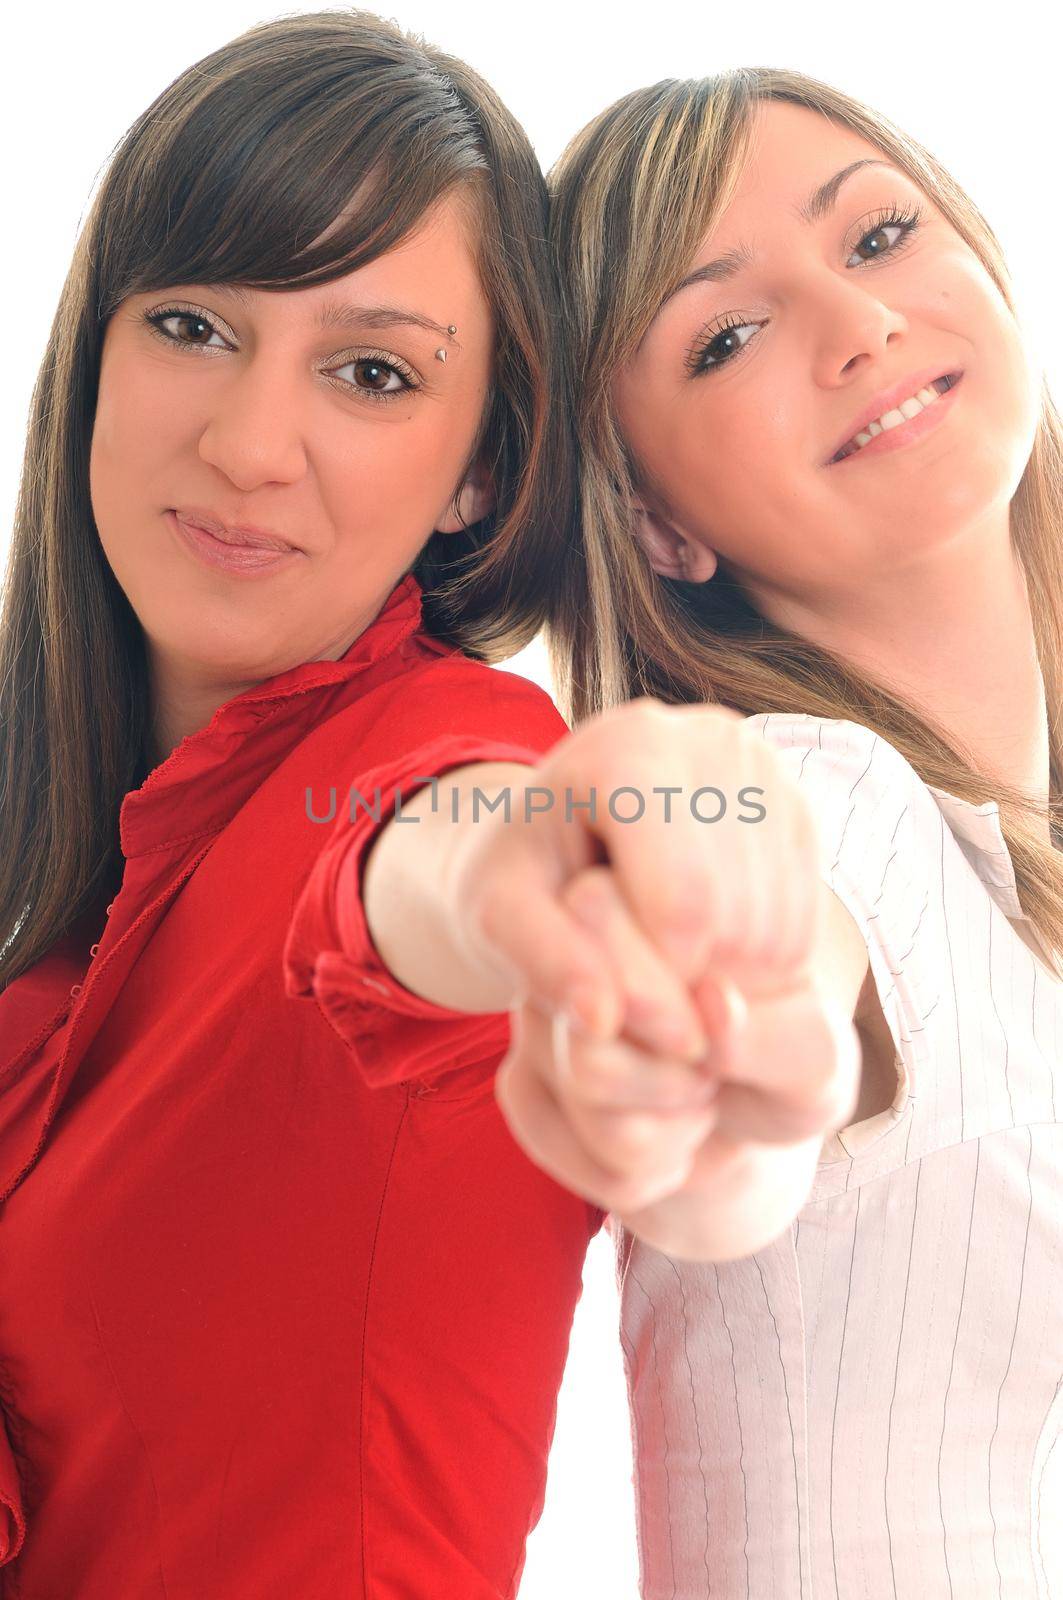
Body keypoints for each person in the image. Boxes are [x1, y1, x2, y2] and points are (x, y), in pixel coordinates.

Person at [0, 18, 861, 1599]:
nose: (250, 444)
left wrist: (610, 877)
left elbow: (445, 862)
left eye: (373, 372)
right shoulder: (44, 867)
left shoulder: (441, 756)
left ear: (480, 472)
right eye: (193, 324)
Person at [542, 67, 1063, 1598]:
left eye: (880, 235)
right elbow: (735, 873)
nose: (856, 326)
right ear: (655, 529)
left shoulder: (1008, 869)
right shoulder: (818, 796)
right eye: (728, 336)